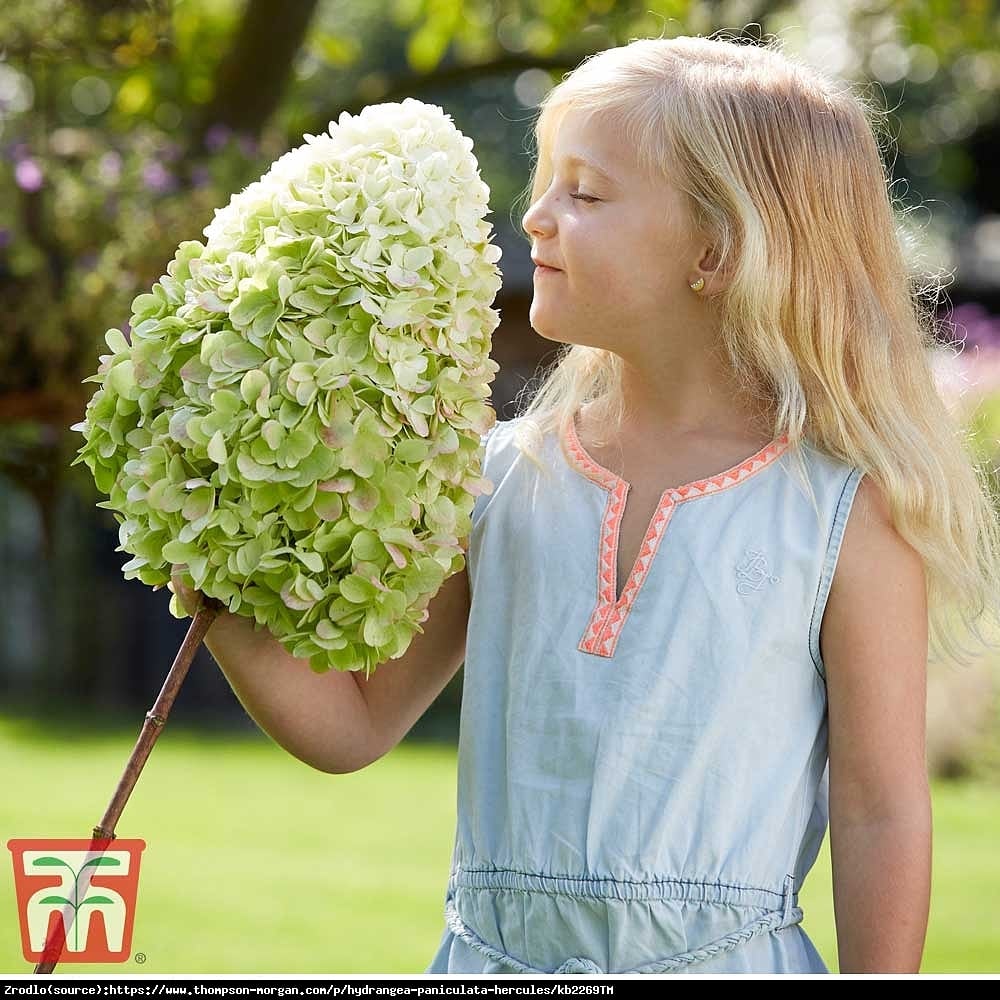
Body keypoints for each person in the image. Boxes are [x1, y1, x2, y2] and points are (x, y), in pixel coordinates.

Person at [171, 33, 1000, 975]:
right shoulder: (494, 481)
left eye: (586, 193)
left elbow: (880, 809)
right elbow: (352, 725)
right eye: (547, 184)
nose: (535, 217)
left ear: (718, 251)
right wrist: (208, 556)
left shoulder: (845, 511)